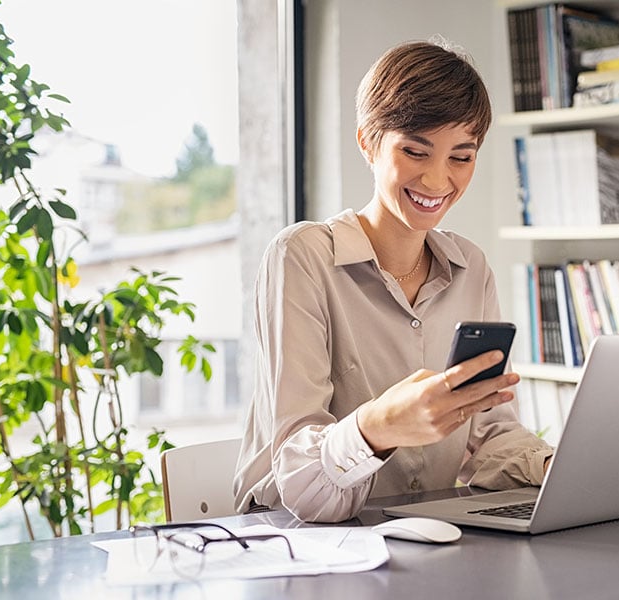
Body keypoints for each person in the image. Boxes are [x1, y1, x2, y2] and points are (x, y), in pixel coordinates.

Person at [233, 38, 554, 522]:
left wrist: (559, 467)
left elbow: (490, 434)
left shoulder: (472, 267)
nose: (437, 180)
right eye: (415, 151)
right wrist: (378, 426)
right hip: (291, 541)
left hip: (416, 537)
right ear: (367, 141)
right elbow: (296, 475)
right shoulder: (302, 256)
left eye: (461, 157)